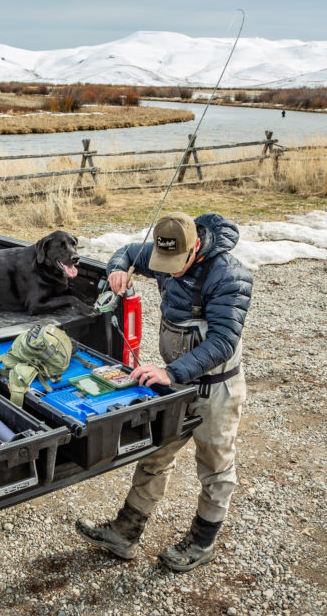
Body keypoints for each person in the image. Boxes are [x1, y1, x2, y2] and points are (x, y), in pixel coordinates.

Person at [75, 211, 252, 572]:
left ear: (196, 247)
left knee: (216, 467)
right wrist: (118, 268)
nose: (167, 271)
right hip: (175, 384)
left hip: (217, 389)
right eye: (162, 263)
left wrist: (169, 371)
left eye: (176, 264)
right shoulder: (162, 250)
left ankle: (202, 543)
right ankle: (125, 533)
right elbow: (127, 251)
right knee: (155, 453)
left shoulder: (229, 275)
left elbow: (222, 341)